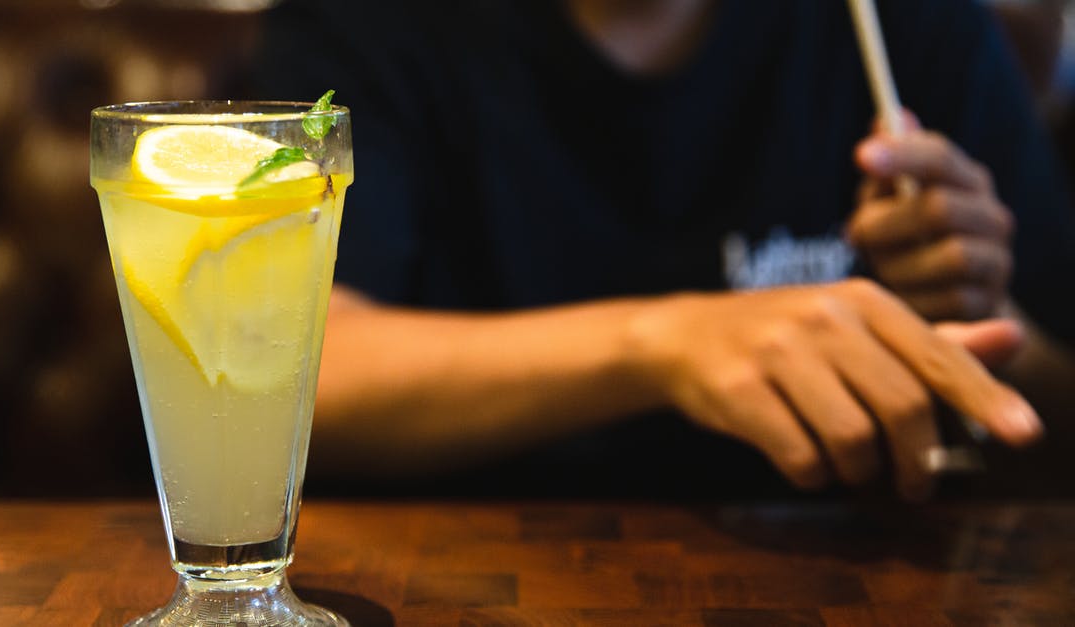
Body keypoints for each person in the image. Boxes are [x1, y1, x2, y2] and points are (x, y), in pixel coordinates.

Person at [255, 0, 1075, 500]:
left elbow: (1054, 392)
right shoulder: (364, 30)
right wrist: (667, 342)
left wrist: (974, 320)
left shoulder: (913, 28)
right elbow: (283, 379)